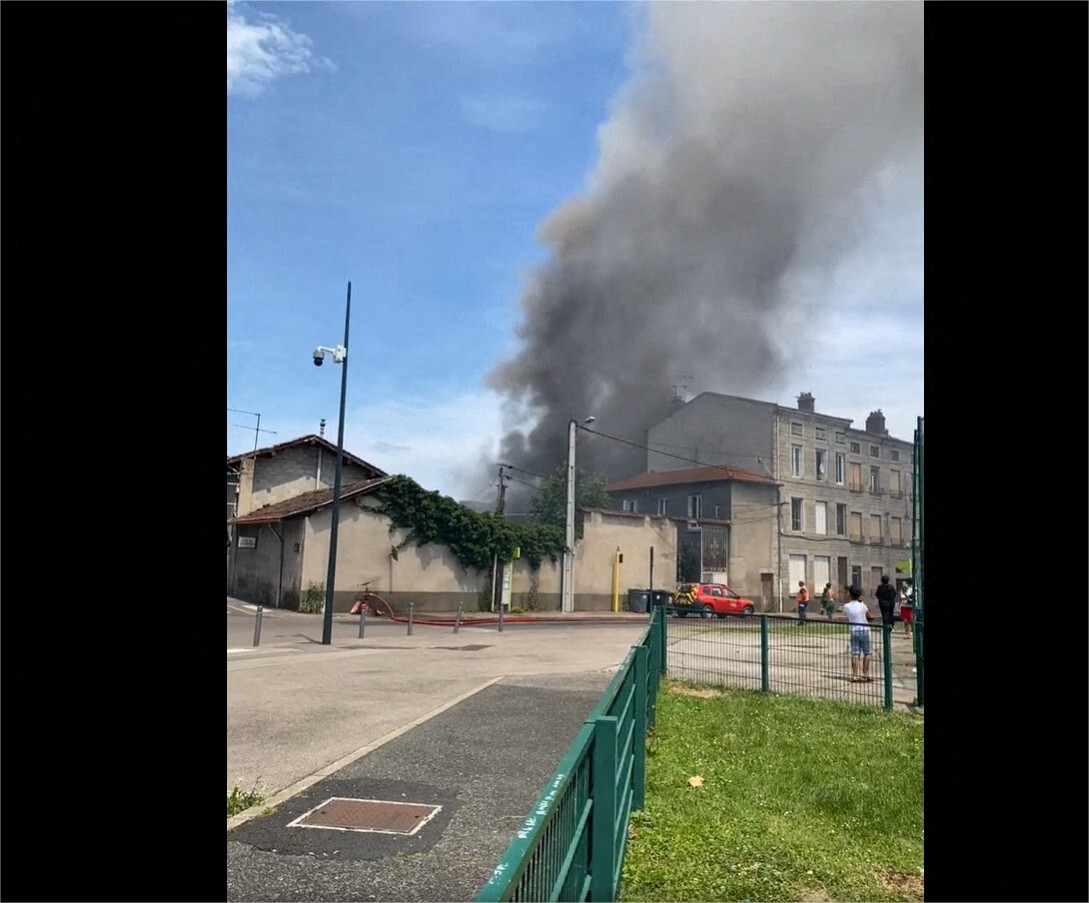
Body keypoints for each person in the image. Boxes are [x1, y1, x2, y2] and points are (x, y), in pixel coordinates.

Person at [843, 585, 873, 682]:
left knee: (855, 653)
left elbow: (846, 616)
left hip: (854, 630)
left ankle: (855, 675)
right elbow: (870, 616)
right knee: (867, 653)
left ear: (850, 594)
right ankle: (865, 674)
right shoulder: (862, 605)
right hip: (865, 629)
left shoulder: (846, 606)